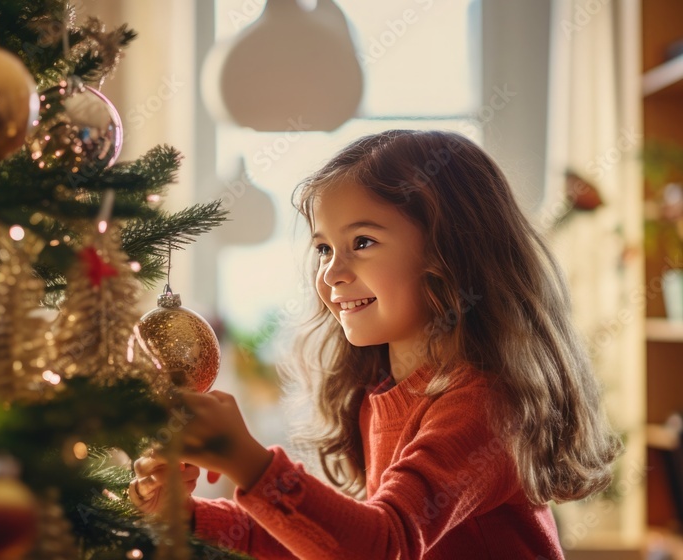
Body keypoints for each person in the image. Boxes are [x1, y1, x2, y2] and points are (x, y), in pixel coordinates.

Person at [128, 130, 623, 559]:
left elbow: (382, 547)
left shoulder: (481, 405)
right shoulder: (383, 396)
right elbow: (333, 543)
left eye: (361, 242)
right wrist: (189, 517)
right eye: (323, 248)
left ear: (447, 252)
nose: (331, 272)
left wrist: (246, 462)